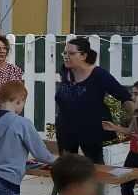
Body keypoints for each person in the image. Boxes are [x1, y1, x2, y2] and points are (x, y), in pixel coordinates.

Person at [57, 37, 133, 165]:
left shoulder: (99, 75)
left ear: (84, 55)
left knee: (95, 170)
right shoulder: (65, 71)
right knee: (65, 169)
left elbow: (124, 96)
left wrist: (133, 120)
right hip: (66, 131)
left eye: (71, 53)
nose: (66, 56)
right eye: (65, 53)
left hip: (90, 132)